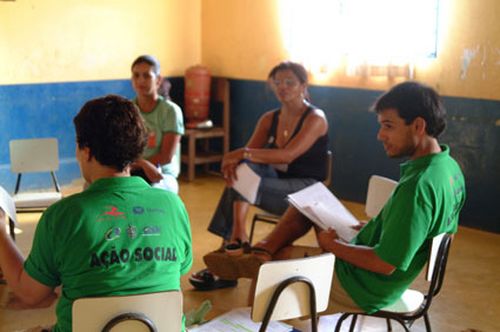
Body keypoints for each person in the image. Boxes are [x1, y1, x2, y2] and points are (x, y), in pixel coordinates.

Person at [204, 81, 466, 314]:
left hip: (364, 286)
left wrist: (334, 247)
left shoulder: (418, 186)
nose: (380, 135)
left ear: (418, 125)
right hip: (379, 276)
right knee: (303, 208)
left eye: (388, 126)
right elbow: (440, 232)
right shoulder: (448, 169)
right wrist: (380, 229)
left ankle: (260, 283)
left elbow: (385, 263)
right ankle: (262, 251)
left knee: (269, 271)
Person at [0, 95, 193, 331]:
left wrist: (1, 232)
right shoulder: (173, 206)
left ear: (86, 151)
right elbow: (179, 269)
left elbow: (29, 294)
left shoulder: (63, 215)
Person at [190, 61, 329, 290]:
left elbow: (287, 155)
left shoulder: (316, 118)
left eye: (289, 82)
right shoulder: (269, 118)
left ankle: (231, 251)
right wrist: (236, 161)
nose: (282, 87)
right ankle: (236, 241)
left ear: (303, 85)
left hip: (306, 192)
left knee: (241, 177)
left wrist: (241, 154)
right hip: (272, 186)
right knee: (242, 172)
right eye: (277, 82)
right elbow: (245, 162)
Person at [130, 55, 184, 194]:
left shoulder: (170, 111)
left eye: (147, 76)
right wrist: (138, 165)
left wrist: (141, 164)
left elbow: (166, 157)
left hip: (162, 174)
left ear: (158, 80)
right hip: (132, 170)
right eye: (136, 75)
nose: (141, 80)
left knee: (149, 193)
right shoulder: (128, 109)